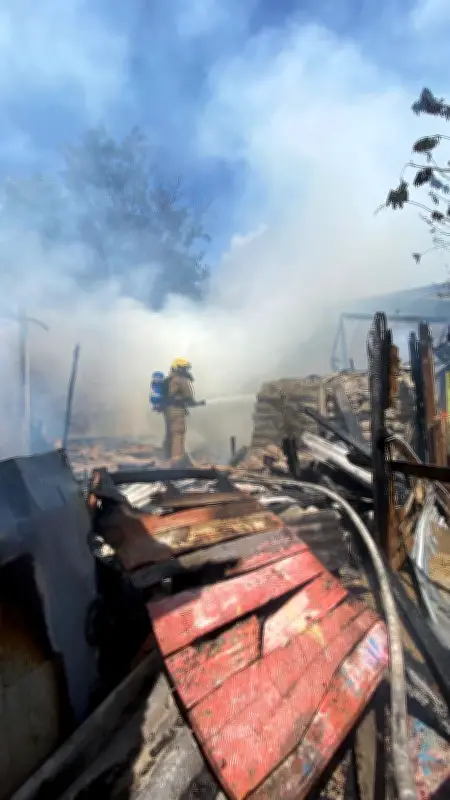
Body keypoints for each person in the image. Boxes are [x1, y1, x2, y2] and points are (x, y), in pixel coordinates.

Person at [164, 358, 205, 465]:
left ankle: (170, 457)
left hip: (169, 411)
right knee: (178, 434)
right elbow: (188, 397)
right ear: (180, 368)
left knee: (171, 434)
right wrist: (197, 403)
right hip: (177, 411)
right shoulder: (180, 379)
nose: (187, 371)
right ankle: (176, 461)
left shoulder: (171, 379)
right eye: (185, 368)